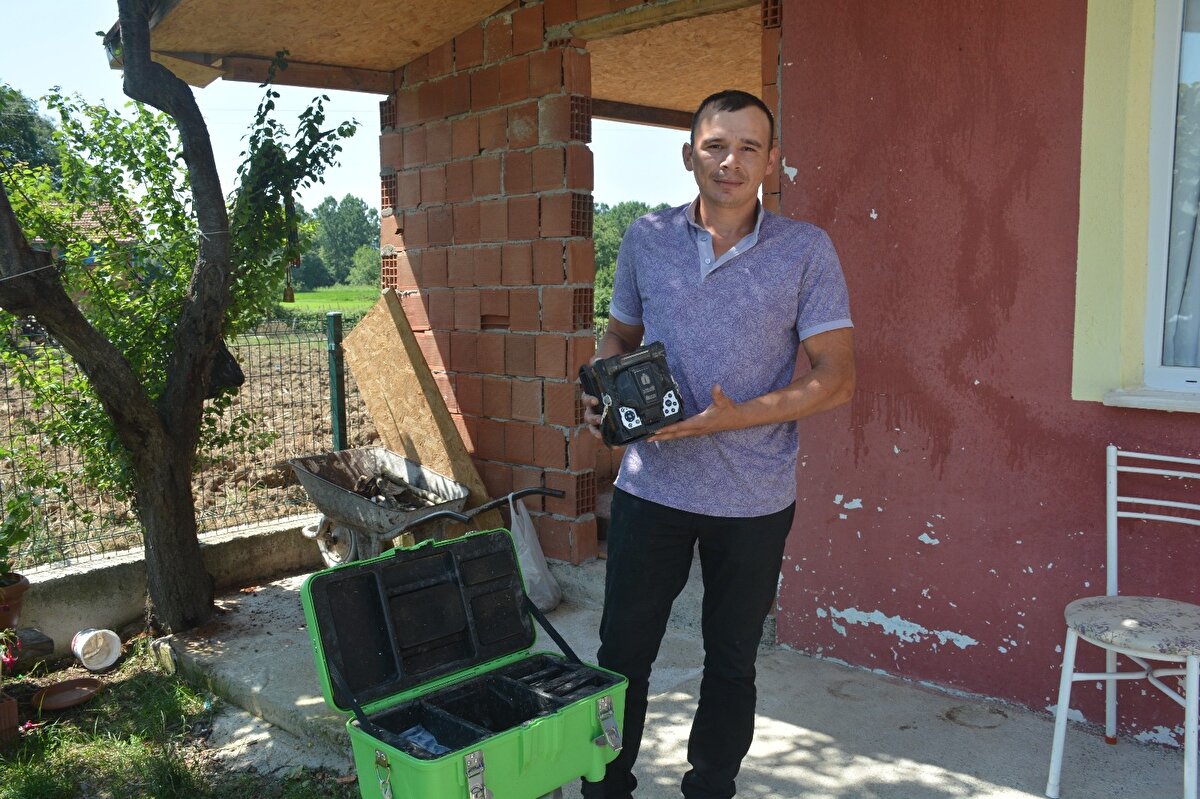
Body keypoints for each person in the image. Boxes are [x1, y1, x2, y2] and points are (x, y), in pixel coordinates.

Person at [578, 89, 856, 799]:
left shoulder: (806, 250)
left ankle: (710, 787)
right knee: (620, 655)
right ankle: (605, 788)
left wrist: (724, 420)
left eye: (749, 148)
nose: (731, 161)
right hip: (652, 486)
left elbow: (836, 379)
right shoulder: (646, 237)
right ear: (689, 155)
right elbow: (621, 335)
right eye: (715, 146)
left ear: (772, 161)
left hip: (753, 497)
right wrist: (603, 384)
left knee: (731, 660)